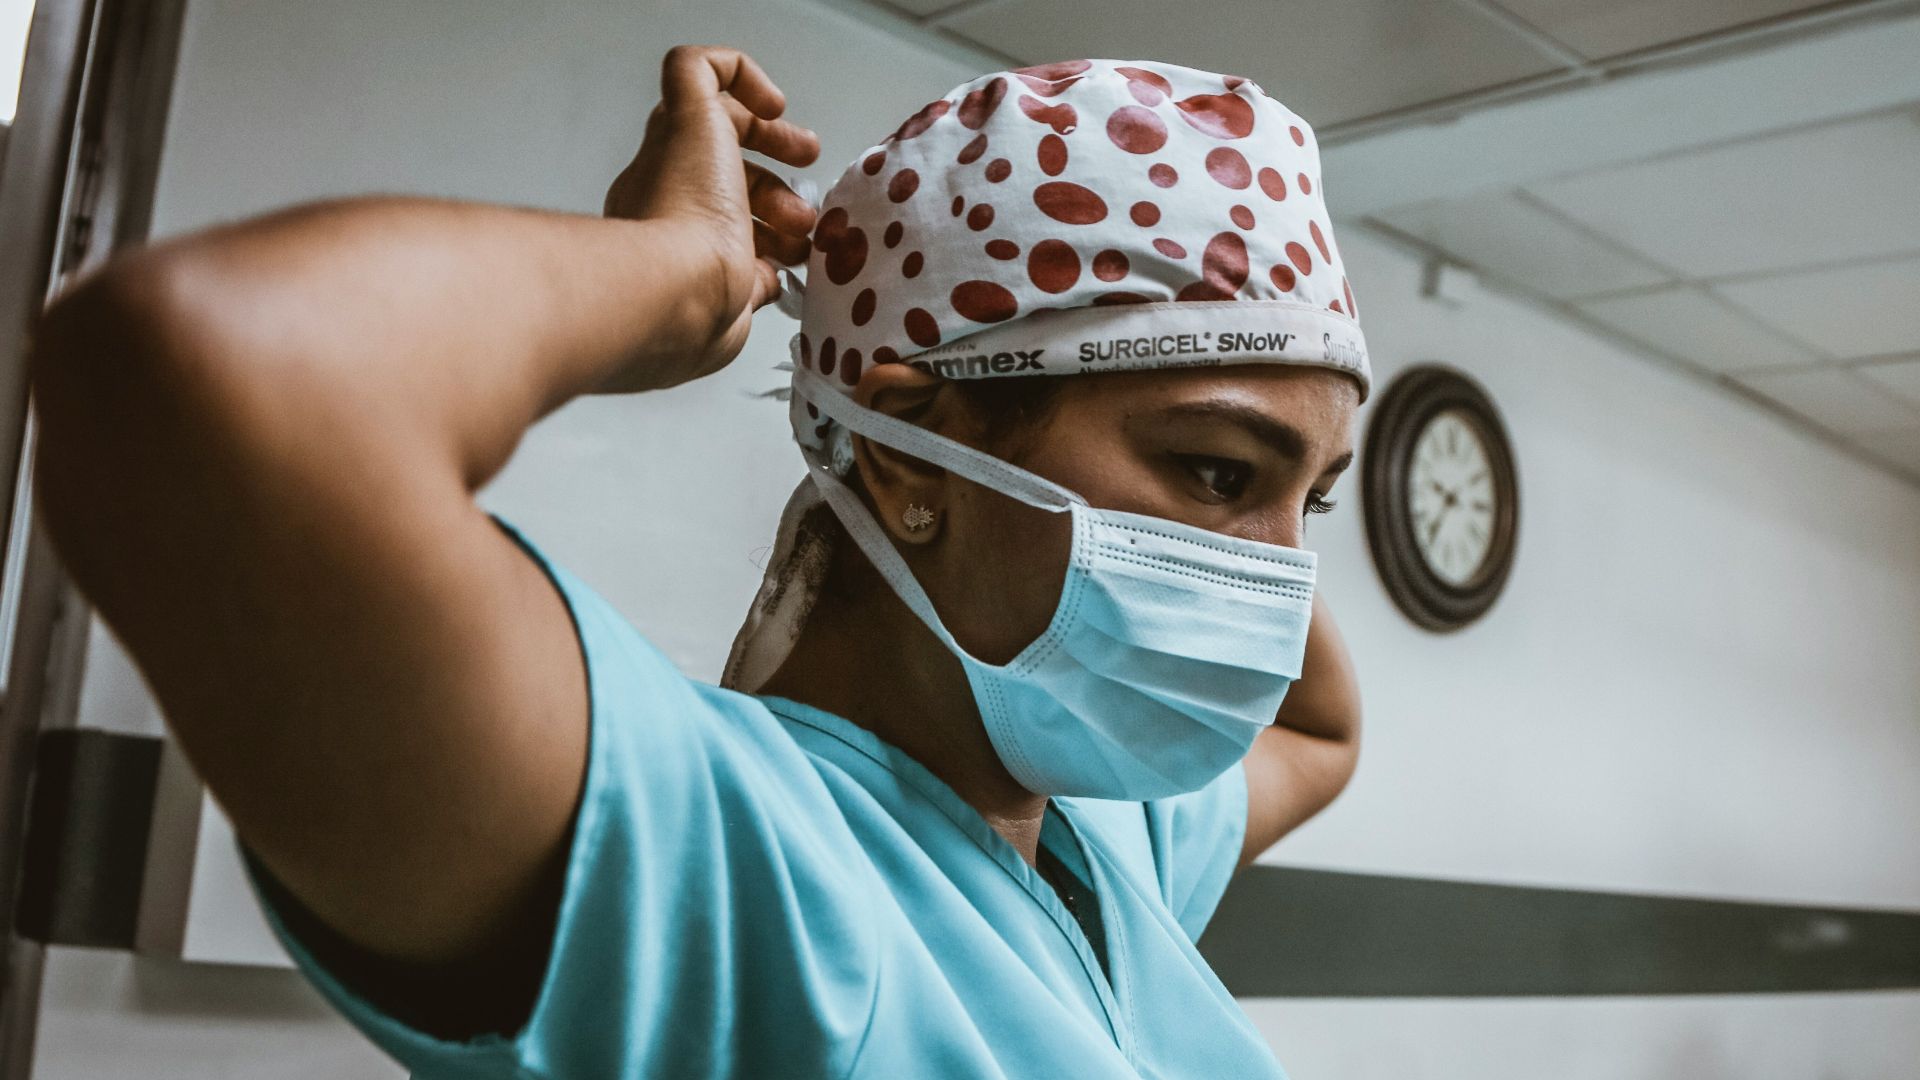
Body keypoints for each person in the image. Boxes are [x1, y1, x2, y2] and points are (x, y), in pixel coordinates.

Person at [28, 45, 1366, 1079]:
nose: (1278, 574)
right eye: (1219, 473)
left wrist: (1265, 403)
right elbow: (210, 373)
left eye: (1314, 501)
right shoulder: (731, 867)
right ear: (905, 459)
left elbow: (1320, 726)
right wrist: (674, 272)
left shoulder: (1096, 843)